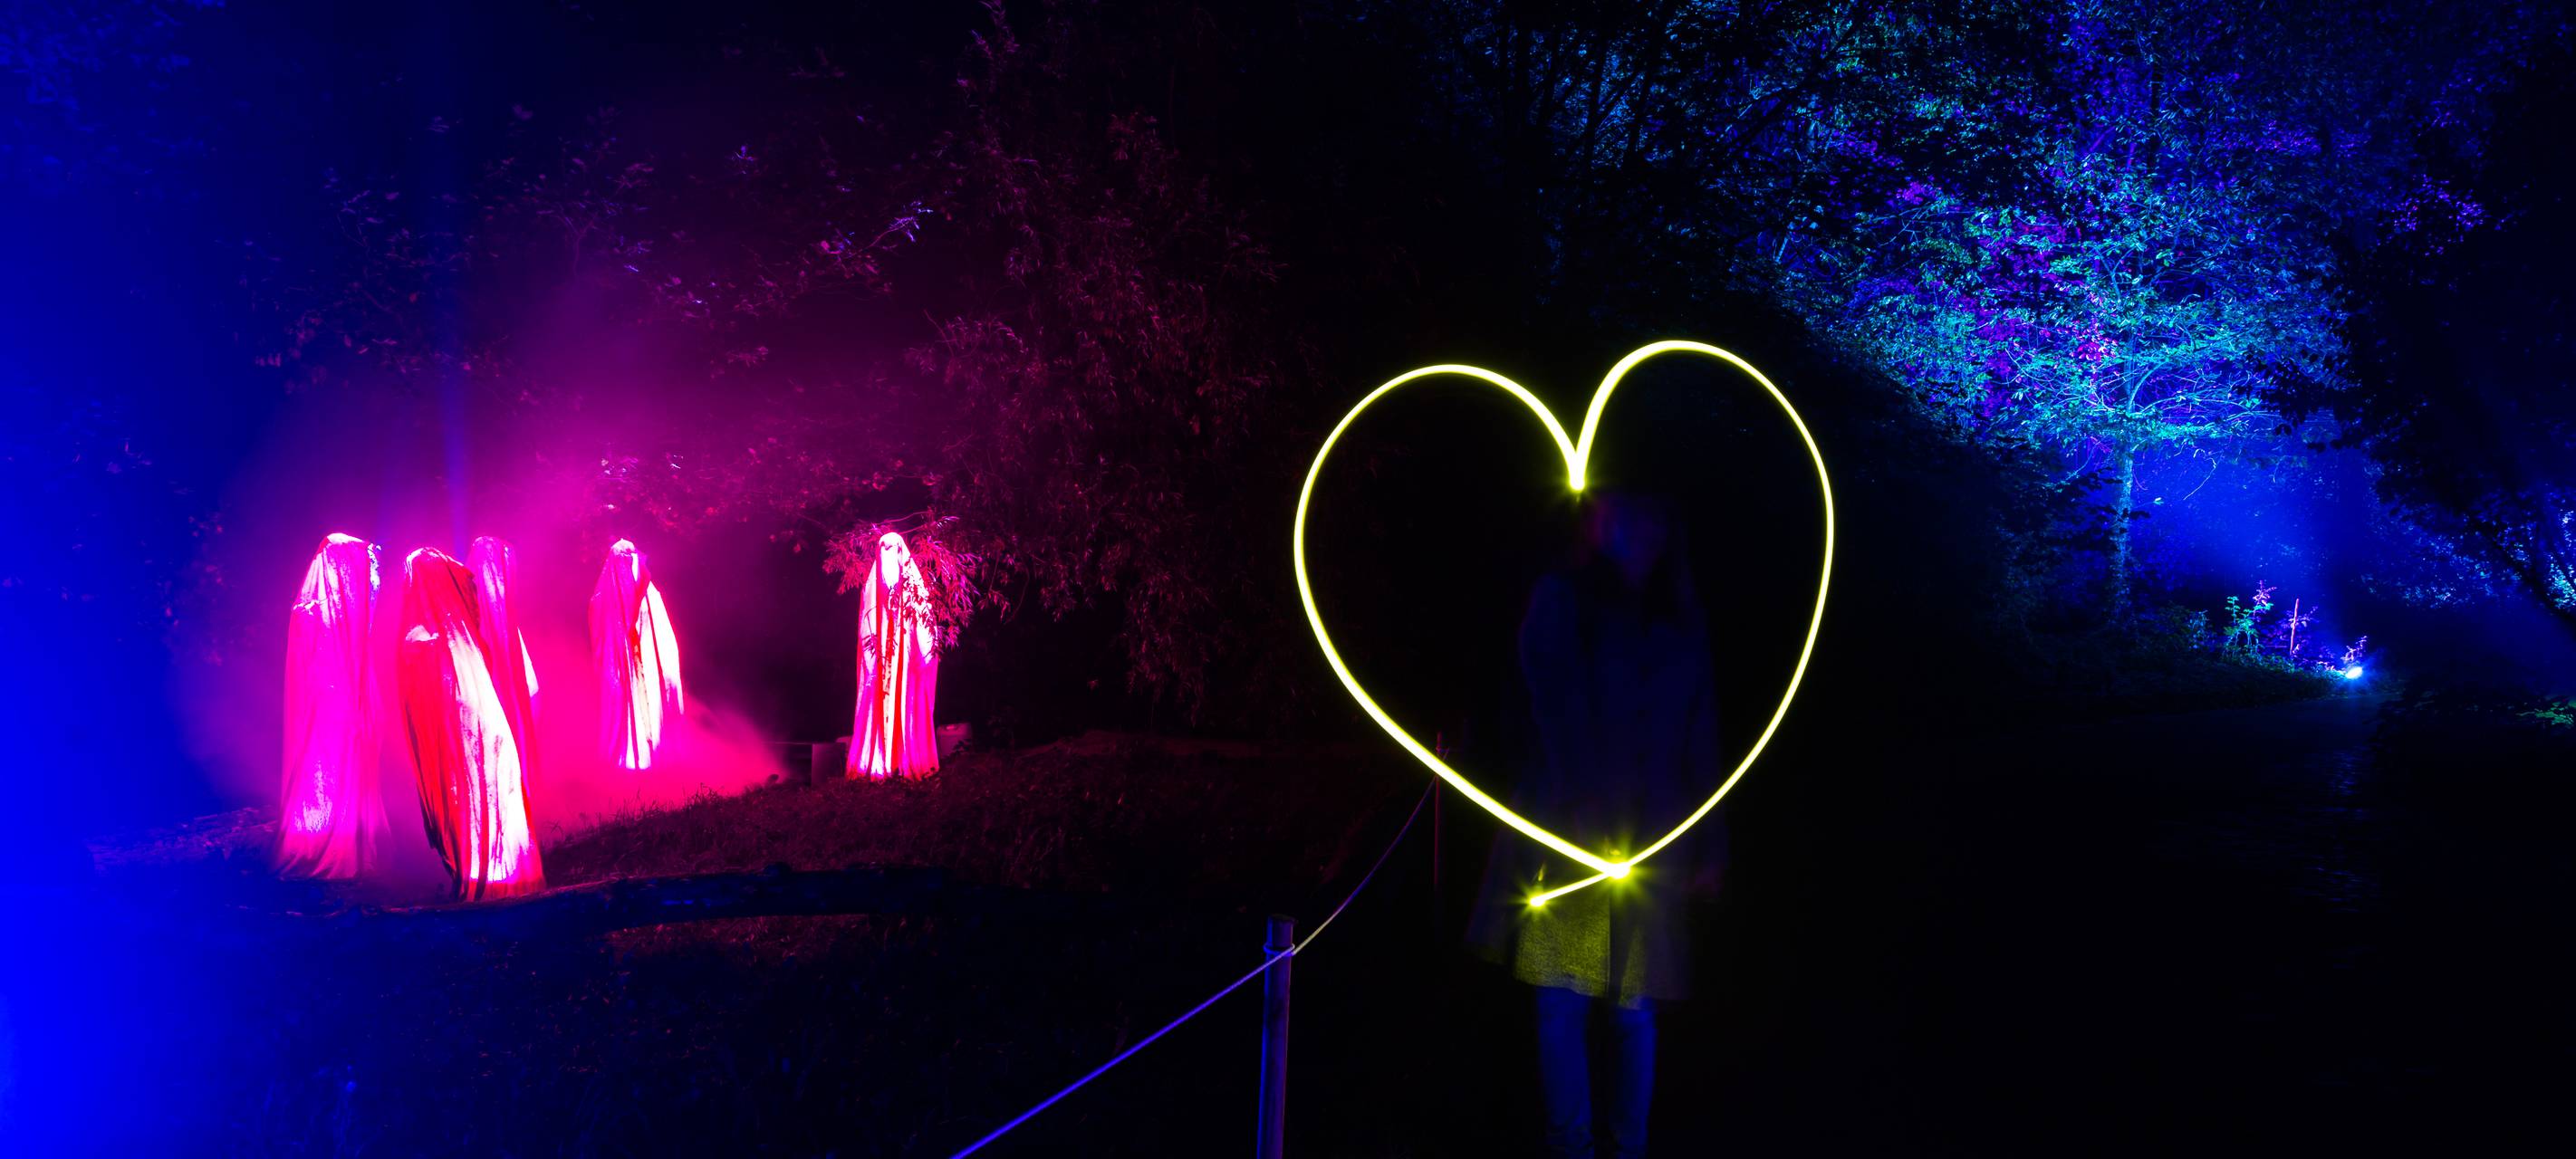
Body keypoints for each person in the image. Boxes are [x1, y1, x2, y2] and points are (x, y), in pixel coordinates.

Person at [1471, 488, 1727, 1159]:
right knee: (1565, 996)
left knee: (1633, 1007)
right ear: (1596, 523)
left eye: (1651, 519)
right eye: (1622, 517)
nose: (1637, 532)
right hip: (1571, 825)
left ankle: (1626, 1147)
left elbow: (1703, 736)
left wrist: (1711, 840)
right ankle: (1571, 1148)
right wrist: (1579, 791)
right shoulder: (1564, 601)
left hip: (1652, 835)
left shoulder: (1682, 621)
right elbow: (1544, 695)